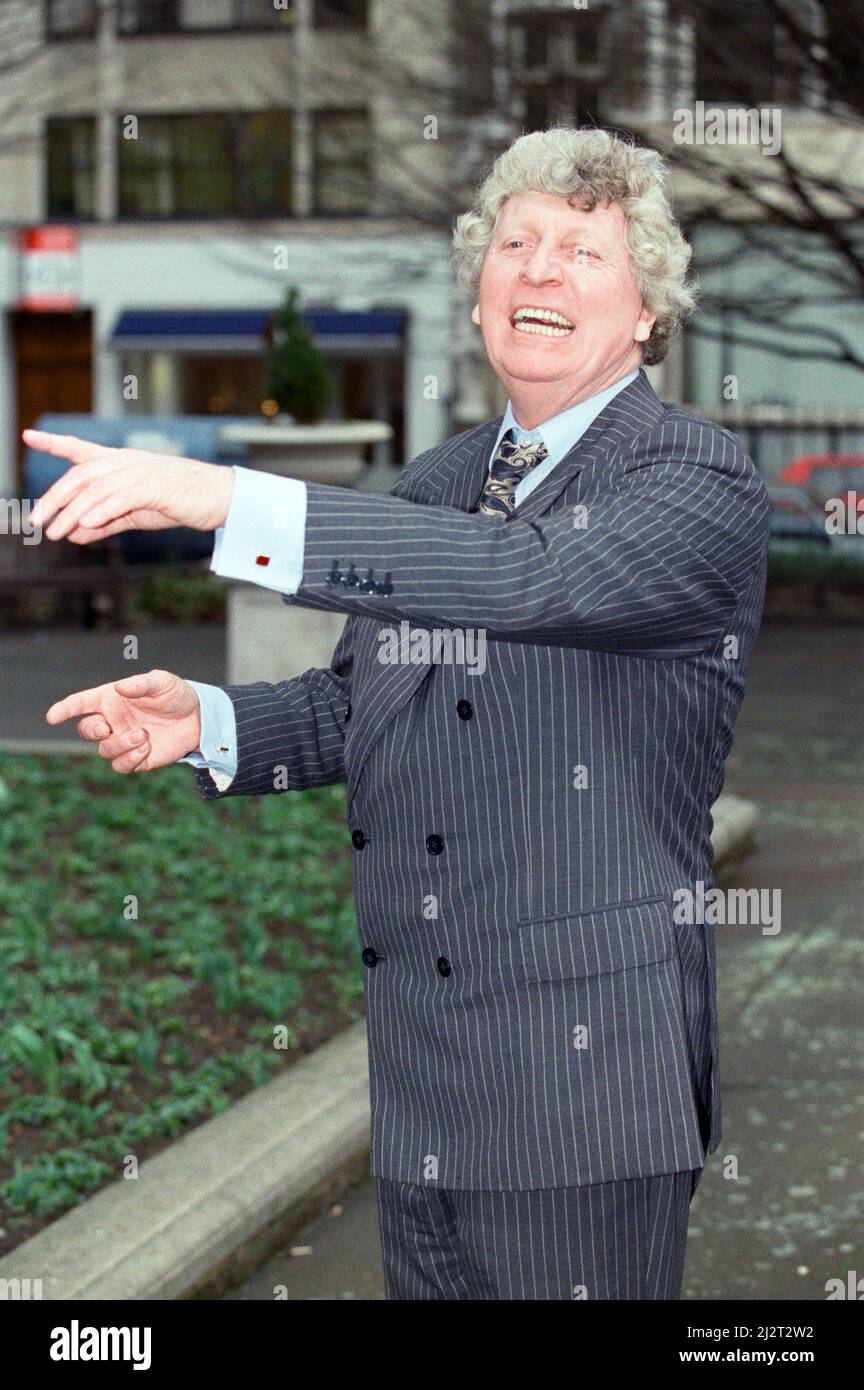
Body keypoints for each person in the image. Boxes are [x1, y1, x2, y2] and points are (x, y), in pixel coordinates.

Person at [26, 127, 770, 1301]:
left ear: (645, 313)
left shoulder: (696, 479)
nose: (538, 269)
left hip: (586, 1100)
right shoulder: (436, 482)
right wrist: (210, 721)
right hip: (422, 1088)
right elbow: (364, 700)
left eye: (583, 250)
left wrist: (225, 496)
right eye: (515, 242)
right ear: (477, 293)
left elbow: (529, 576)